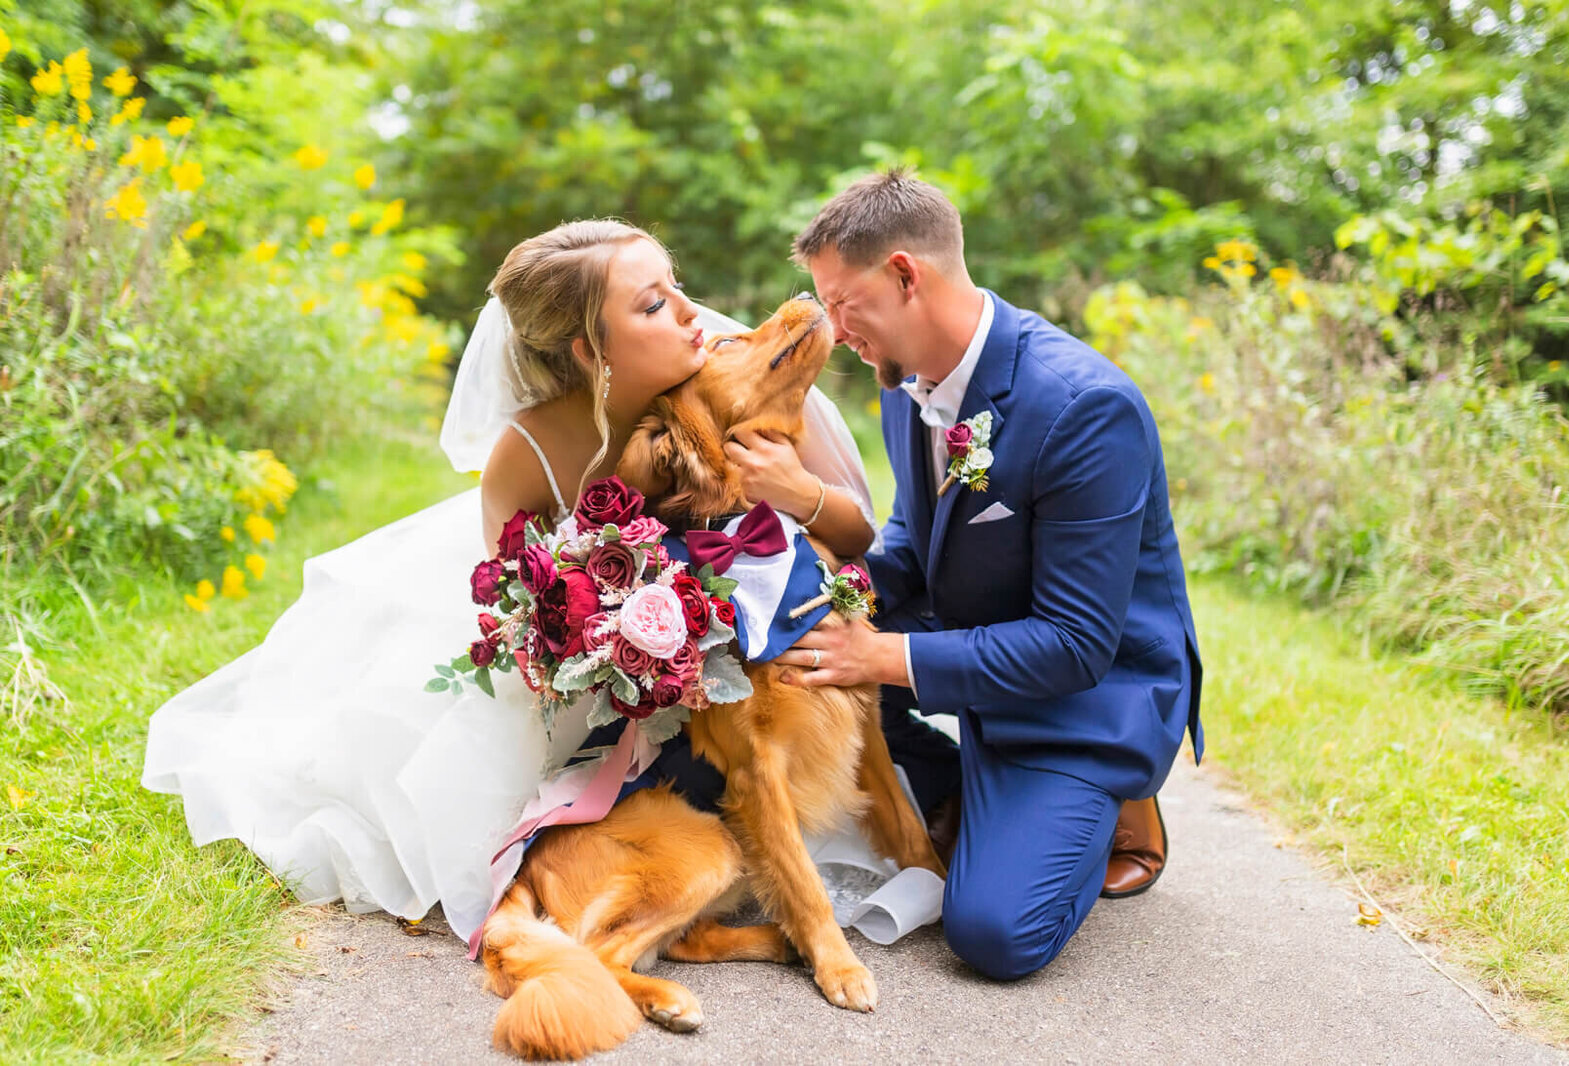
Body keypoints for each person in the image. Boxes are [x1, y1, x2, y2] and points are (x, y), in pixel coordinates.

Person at [141, 219, 880, 943]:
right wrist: (618, 639)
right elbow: (521, 609)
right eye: (654, 305)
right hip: (585, 673)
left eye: (676, 286)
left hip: (737, 637)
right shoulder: (528, 451)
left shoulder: (730, 370)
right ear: (591, 351)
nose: (692, 314)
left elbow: (854, 534)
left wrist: (794, 495)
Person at [777, 170, 1205, 980]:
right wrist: (830, 607)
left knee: (995, 937)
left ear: (907, 274)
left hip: (1083, 694)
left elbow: (1077, 645)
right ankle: (979, 787)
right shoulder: (903, 381)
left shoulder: (1086, 408)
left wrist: (885, 659)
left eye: (842, 303)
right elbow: (909, 541)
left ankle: (1104, 794)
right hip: (979, 642)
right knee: (799, 665)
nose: (832, 330)